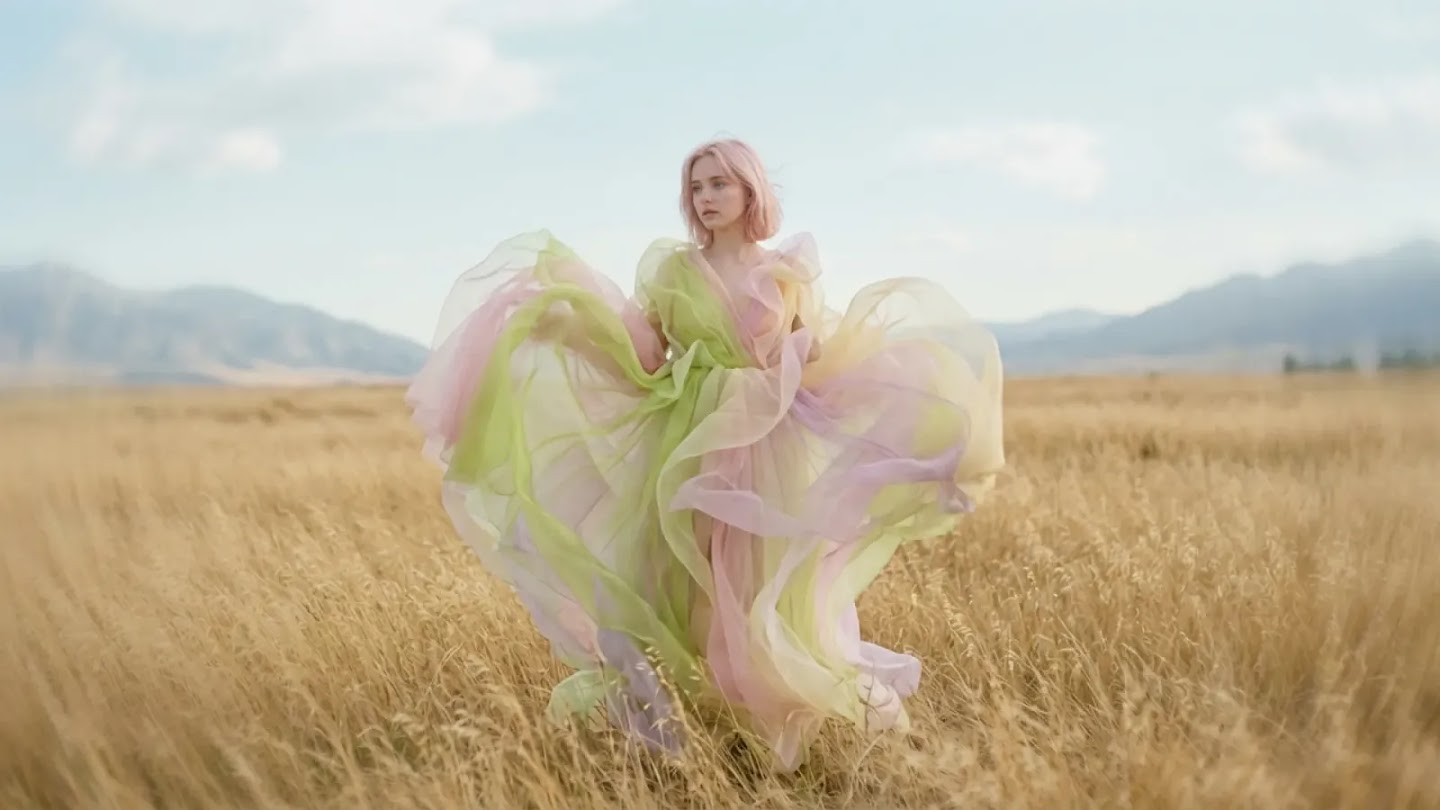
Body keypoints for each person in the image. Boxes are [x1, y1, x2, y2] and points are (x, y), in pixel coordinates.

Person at [405, 137, 1005, 771]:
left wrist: (863, 398)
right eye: (696, 186)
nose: (706, 197)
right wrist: (572, 323)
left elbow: (813, 356)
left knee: (756, 582)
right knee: (684, 584)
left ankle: (766, 729)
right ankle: (689, 727)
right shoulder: (674, 271)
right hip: (685, 439)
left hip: (766, 444)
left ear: (751, 191)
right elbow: (643, 353)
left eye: (720, 183)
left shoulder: (787, 272)